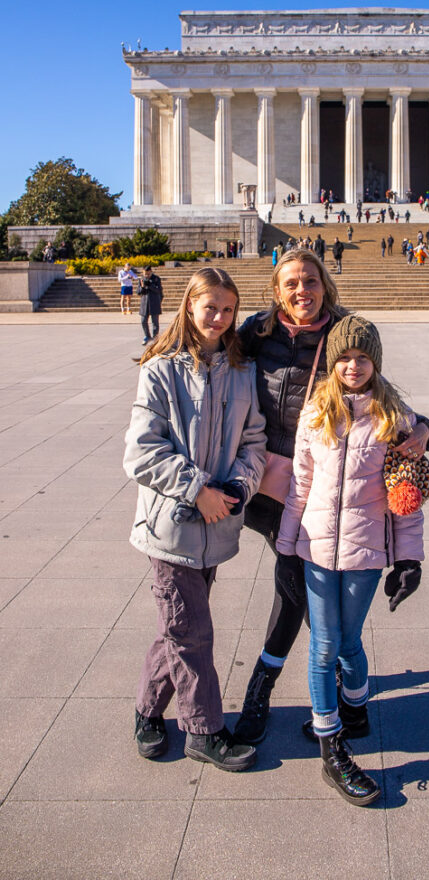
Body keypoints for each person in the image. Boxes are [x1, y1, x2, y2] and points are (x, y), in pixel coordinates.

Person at [231, 251, 429, 746]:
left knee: (298, 597)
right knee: (295, 589)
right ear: (277, 291)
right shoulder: (255, 332)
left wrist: (426, 428)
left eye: (311, 281)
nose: (302, 291)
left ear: (326, 285)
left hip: (328, 488)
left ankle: (277, 685)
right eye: (291, 283)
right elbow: (208, 359)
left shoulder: (345, 333)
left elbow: (385, 402)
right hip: (270, 485)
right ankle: (287, 686)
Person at [277, 316, 425, 806]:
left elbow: (406, 498)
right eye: (344, 357)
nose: (353, 366)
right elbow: (299, 487)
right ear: (333, 363)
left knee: (349, 644)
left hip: (365, 552)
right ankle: (331, 746)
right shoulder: (316, 412)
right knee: (323, 647)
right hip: (317, 549)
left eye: (362, 358)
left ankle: (355, 709)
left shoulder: (394, 417)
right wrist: (284, 548)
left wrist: (408, 560)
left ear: (375, 363)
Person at [124, 267, 267, 771]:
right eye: (211, 308)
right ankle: (203, 731)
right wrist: (197, 489)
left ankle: (146, 712)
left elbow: (254, 442)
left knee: (178, 627)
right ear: (189, 306)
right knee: (192, 633)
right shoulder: (161, 369)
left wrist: (236, 488)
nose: (221, 319)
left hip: (215, 526)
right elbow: (141, 452)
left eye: (229, 310)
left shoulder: (241, 369)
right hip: (172, 526)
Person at [138, 265, 164, 345]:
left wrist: (150, 285)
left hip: (154, 302)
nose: (147, 276)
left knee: (155, 322)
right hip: (145, 303)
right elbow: (138, 292)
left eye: (148, 274)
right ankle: (147, 336)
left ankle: (155, 338)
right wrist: (142, 287)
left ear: (151, 272)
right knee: (143, 321)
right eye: (145, 274)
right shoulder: (142, 279)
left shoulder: (156, 279)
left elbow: (158, 290)